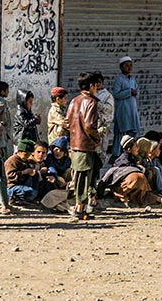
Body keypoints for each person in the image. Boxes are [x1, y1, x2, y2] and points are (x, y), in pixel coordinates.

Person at [97, 135, 162, 209]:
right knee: (137, 179)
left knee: (142, 192)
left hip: (135, 190)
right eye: (135, 146)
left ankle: (159, 199)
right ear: (129, 150)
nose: (138, 148)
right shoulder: (122, 161)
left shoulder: (135, 159)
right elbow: (108, 176)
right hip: (122, 190)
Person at [66, 72, 101, 221]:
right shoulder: (90, 102)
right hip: (85, 145)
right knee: (85, 177)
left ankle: (84, 207)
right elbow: (88, 125)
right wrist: (96, 137)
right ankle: (79, 207)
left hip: (75, 144)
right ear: (92, 86)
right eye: (96, 85)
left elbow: (67, 122)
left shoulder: (74, 100)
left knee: (84, 175)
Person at [112, 56, 140, 158]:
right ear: (121, 67)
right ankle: (117, 155)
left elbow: (137, 92)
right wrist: (129, 92)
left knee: (132, 133)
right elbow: (116, 94)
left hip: (132, 111)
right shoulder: (119, 79)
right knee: (121, 134)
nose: (129, 67)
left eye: (130, 65)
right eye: (126, 65)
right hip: (123, 111)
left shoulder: (132, 79)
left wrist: (135, 93)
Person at [4, 138, 39, 205]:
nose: (27, 156)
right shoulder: (12, 161)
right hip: (12, 186)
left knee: (33, 191)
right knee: (29, 192)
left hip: (24, 184)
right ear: (19, 151)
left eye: (29, 154)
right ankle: (13, 197)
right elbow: (9, 176)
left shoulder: (27, 161)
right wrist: (23, 172)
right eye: (26, 154)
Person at [93, 72, 115, 163]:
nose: (97, 84)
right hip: (92, 128)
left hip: (102, 127)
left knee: (101, 152)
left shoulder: (107, 95)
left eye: (99, 82)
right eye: (95, 82)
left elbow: (109, 110)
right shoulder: (91, 93)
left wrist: (98, 104)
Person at [0, 81, 13, 151]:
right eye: (7, 90)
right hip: (3, 132)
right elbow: (5, 118)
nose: (8, 92)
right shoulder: (2, 103)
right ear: (2, 92)